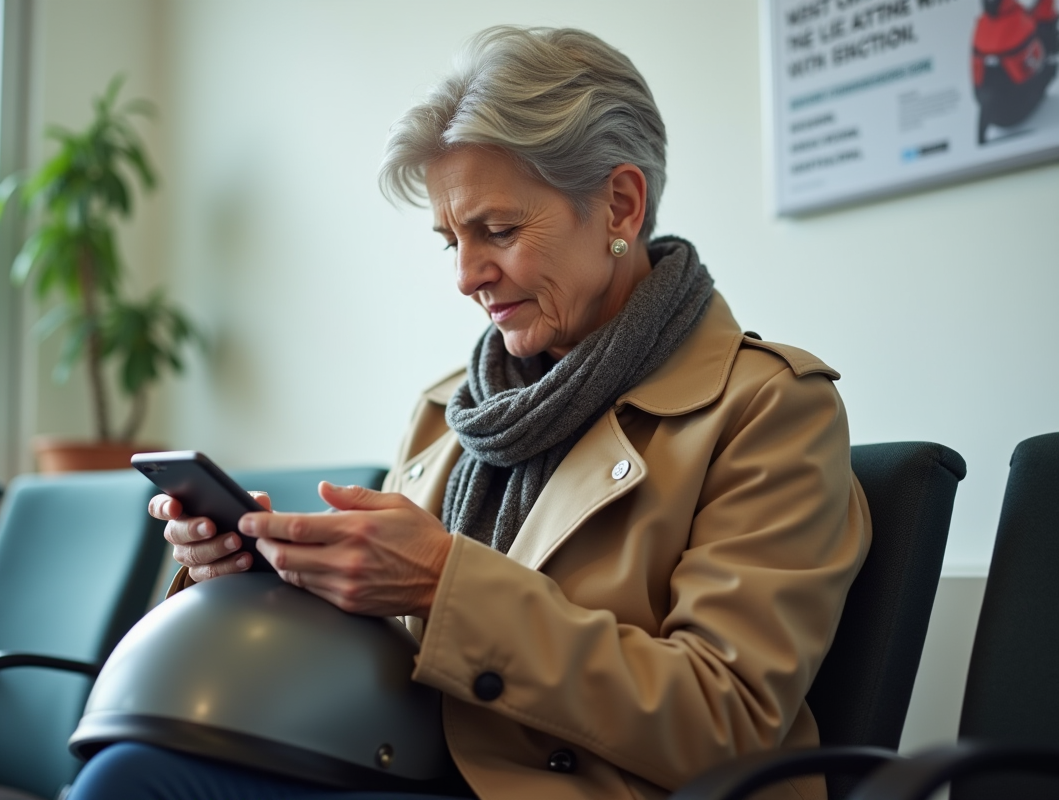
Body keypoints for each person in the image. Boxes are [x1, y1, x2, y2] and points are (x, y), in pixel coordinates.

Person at [68, 25, 871, 800]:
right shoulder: (451, 409)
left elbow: (724, 719)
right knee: (134, 768)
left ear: (622, 206)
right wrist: (275, 576)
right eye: (451, 239)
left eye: (498, 229)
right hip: (420, 765)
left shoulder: (770, 407)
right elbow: (397, 652)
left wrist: (445, 581)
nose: (467, 275)